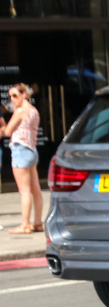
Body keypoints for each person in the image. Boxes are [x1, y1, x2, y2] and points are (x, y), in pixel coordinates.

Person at [2, 83, 43, 234]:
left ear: (24, 95)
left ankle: (25, 224)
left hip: (20, 149)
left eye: (15, 95)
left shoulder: (20, 111)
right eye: (10, 96)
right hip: (32, 150)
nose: (12, 99)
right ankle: (38, 223)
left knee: (24, 190)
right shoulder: (34, 111)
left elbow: (8, 131)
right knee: (35, 189)